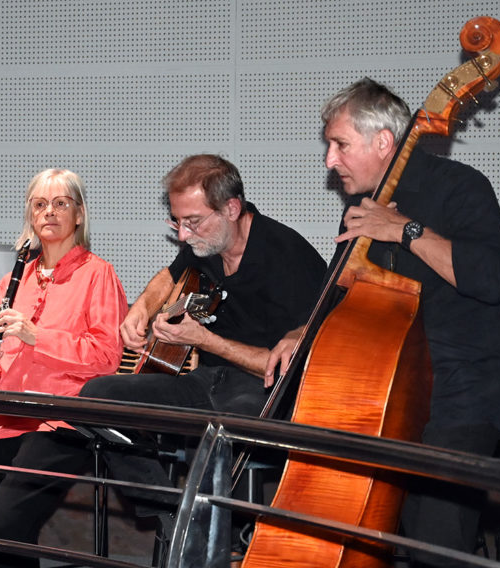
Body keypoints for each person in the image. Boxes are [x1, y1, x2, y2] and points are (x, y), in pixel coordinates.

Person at [265, 78, 500, 568]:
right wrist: (299, 333)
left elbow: (489, 279)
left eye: (339, 145)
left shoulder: (460, 189)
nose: (330, 162)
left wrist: (402, 229)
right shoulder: (359, 210)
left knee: (437, 559)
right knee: (394, 558)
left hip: (458, 400)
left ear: (384, 140)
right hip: (384, 405)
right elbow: (341, 300)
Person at [78, 154, 326, 520]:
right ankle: (169, 515)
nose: (182, 235)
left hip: (267, 394)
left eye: (192, 222)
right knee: (97, 398)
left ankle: (210, 541)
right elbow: (169, 275)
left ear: (231, 208)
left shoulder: (286, 258)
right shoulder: (205, 244)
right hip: (209, 382)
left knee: (218, 435)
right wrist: (142, 308)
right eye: (176, 222)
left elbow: (284, 367)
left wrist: (204, 340)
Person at [0, 168, 128, 568]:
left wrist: (36, 335)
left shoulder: (99, 274)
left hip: (61, 419)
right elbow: (10, 353)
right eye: (39, 204)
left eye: (60, 203)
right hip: (3, 415)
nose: (49, 212)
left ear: (79, 214)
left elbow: (107, 357)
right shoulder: (14, 281)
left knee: (8, 523)